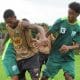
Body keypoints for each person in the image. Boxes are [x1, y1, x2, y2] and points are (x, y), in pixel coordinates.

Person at [3, 9, 47, 80]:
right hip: (19, 58)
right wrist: (2, 44)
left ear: (14, 17)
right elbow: (8, 33)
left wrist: (43, 37)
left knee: (35, 78)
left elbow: (38, 27)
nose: (9, 24)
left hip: (31, 57)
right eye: (7, 23)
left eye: (10, 22)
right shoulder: (8, 26)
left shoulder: (23, 24)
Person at [41, 2, 80, 80]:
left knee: (69, 77)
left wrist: (69, 47)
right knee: (45, 77)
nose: (69, 15)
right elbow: (48, 33)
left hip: (68, 58)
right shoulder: (61, 21)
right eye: (68, 12)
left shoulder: (78, 27)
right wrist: (43, 40)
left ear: (77, 14)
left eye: (72, 14)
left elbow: (78, 45)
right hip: (55, 55)